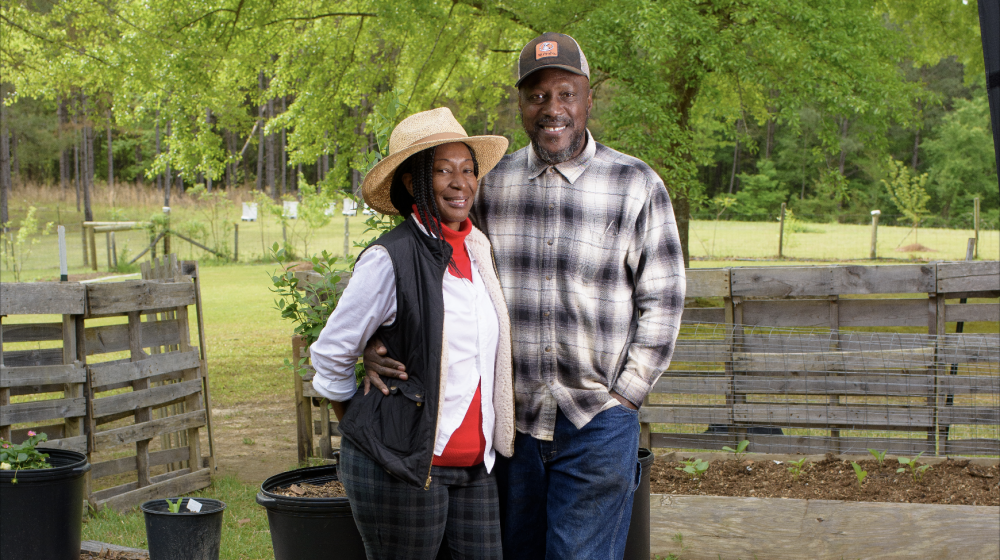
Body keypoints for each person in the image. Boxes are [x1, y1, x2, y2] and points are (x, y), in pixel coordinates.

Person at [365, 33, 686, 560]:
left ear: (588, 100)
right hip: (512, 424)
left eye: (565, 93)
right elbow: (433, 267)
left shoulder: (636, 184)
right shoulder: (491, 185)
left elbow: (664, 299)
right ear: (521, 105)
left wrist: (625, 396)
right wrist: (378, 338)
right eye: (537, 97)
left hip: (596, 419)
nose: (552, 109)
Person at [308, 107, 513, 560]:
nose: (460, 182)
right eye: (443, 170)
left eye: (467, 169)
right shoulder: (390, 258)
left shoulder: (478, 251)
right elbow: (329, 355)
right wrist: (372, 434)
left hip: (475, 466)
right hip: (403, 468)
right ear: (411, 180)